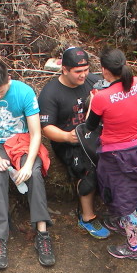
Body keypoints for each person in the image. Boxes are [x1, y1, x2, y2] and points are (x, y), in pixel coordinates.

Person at [0, 60, 54, 270]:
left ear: (8, 79)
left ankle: (42, 232)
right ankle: (0, 238)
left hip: (22, 142)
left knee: (34, 173)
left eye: (0, 92)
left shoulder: (24, 92)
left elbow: (36, 133)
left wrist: (26, 166)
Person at [85, 48, 137, 260]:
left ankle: (134, 246)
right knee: (134, 189)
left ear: (104, 70)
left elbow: (90, 127)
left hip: (116, 155)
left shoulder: (102, 97)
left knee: (124, 199)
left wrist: (93, 102)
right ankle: (123, 220)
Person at [37, 46, 109, 239]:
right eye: (78, 71)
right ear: (65, 69)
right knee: (87, 168)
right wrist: (67, 136)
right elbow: (46, 128)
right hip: (68, 140)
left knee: (120, 153)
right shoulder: (50, 93)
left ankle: (132, 200)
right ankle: (86, 216)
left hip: (93, 134)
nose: (83, 75)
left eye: (86, 70)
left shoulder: (93, 81)